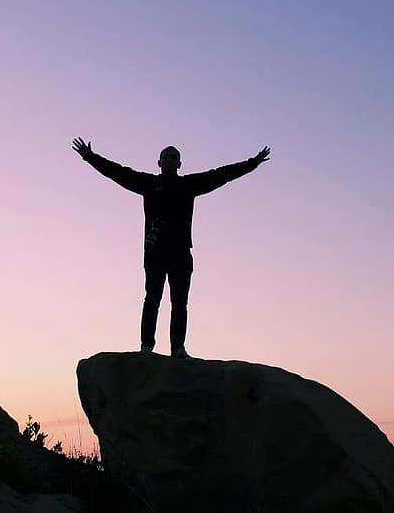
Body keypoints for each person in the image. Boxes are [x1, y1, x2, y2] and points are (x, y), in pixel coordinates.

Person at [72, 138, 270, 358]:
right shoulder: (147, 183)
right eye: (166, 156)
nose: (169, 159)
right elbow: (118, 173)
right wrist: (90, 157)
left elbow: (222, 175)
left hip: (181, 252)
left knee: (180, 303)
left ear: (180, 164)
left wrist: (253, 162)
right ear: (159, 162)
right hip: (155, 251)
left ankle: (178, 348)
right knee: (152, 299)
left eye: (173, 157)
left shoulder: (188, 185)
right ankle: (146, 347)